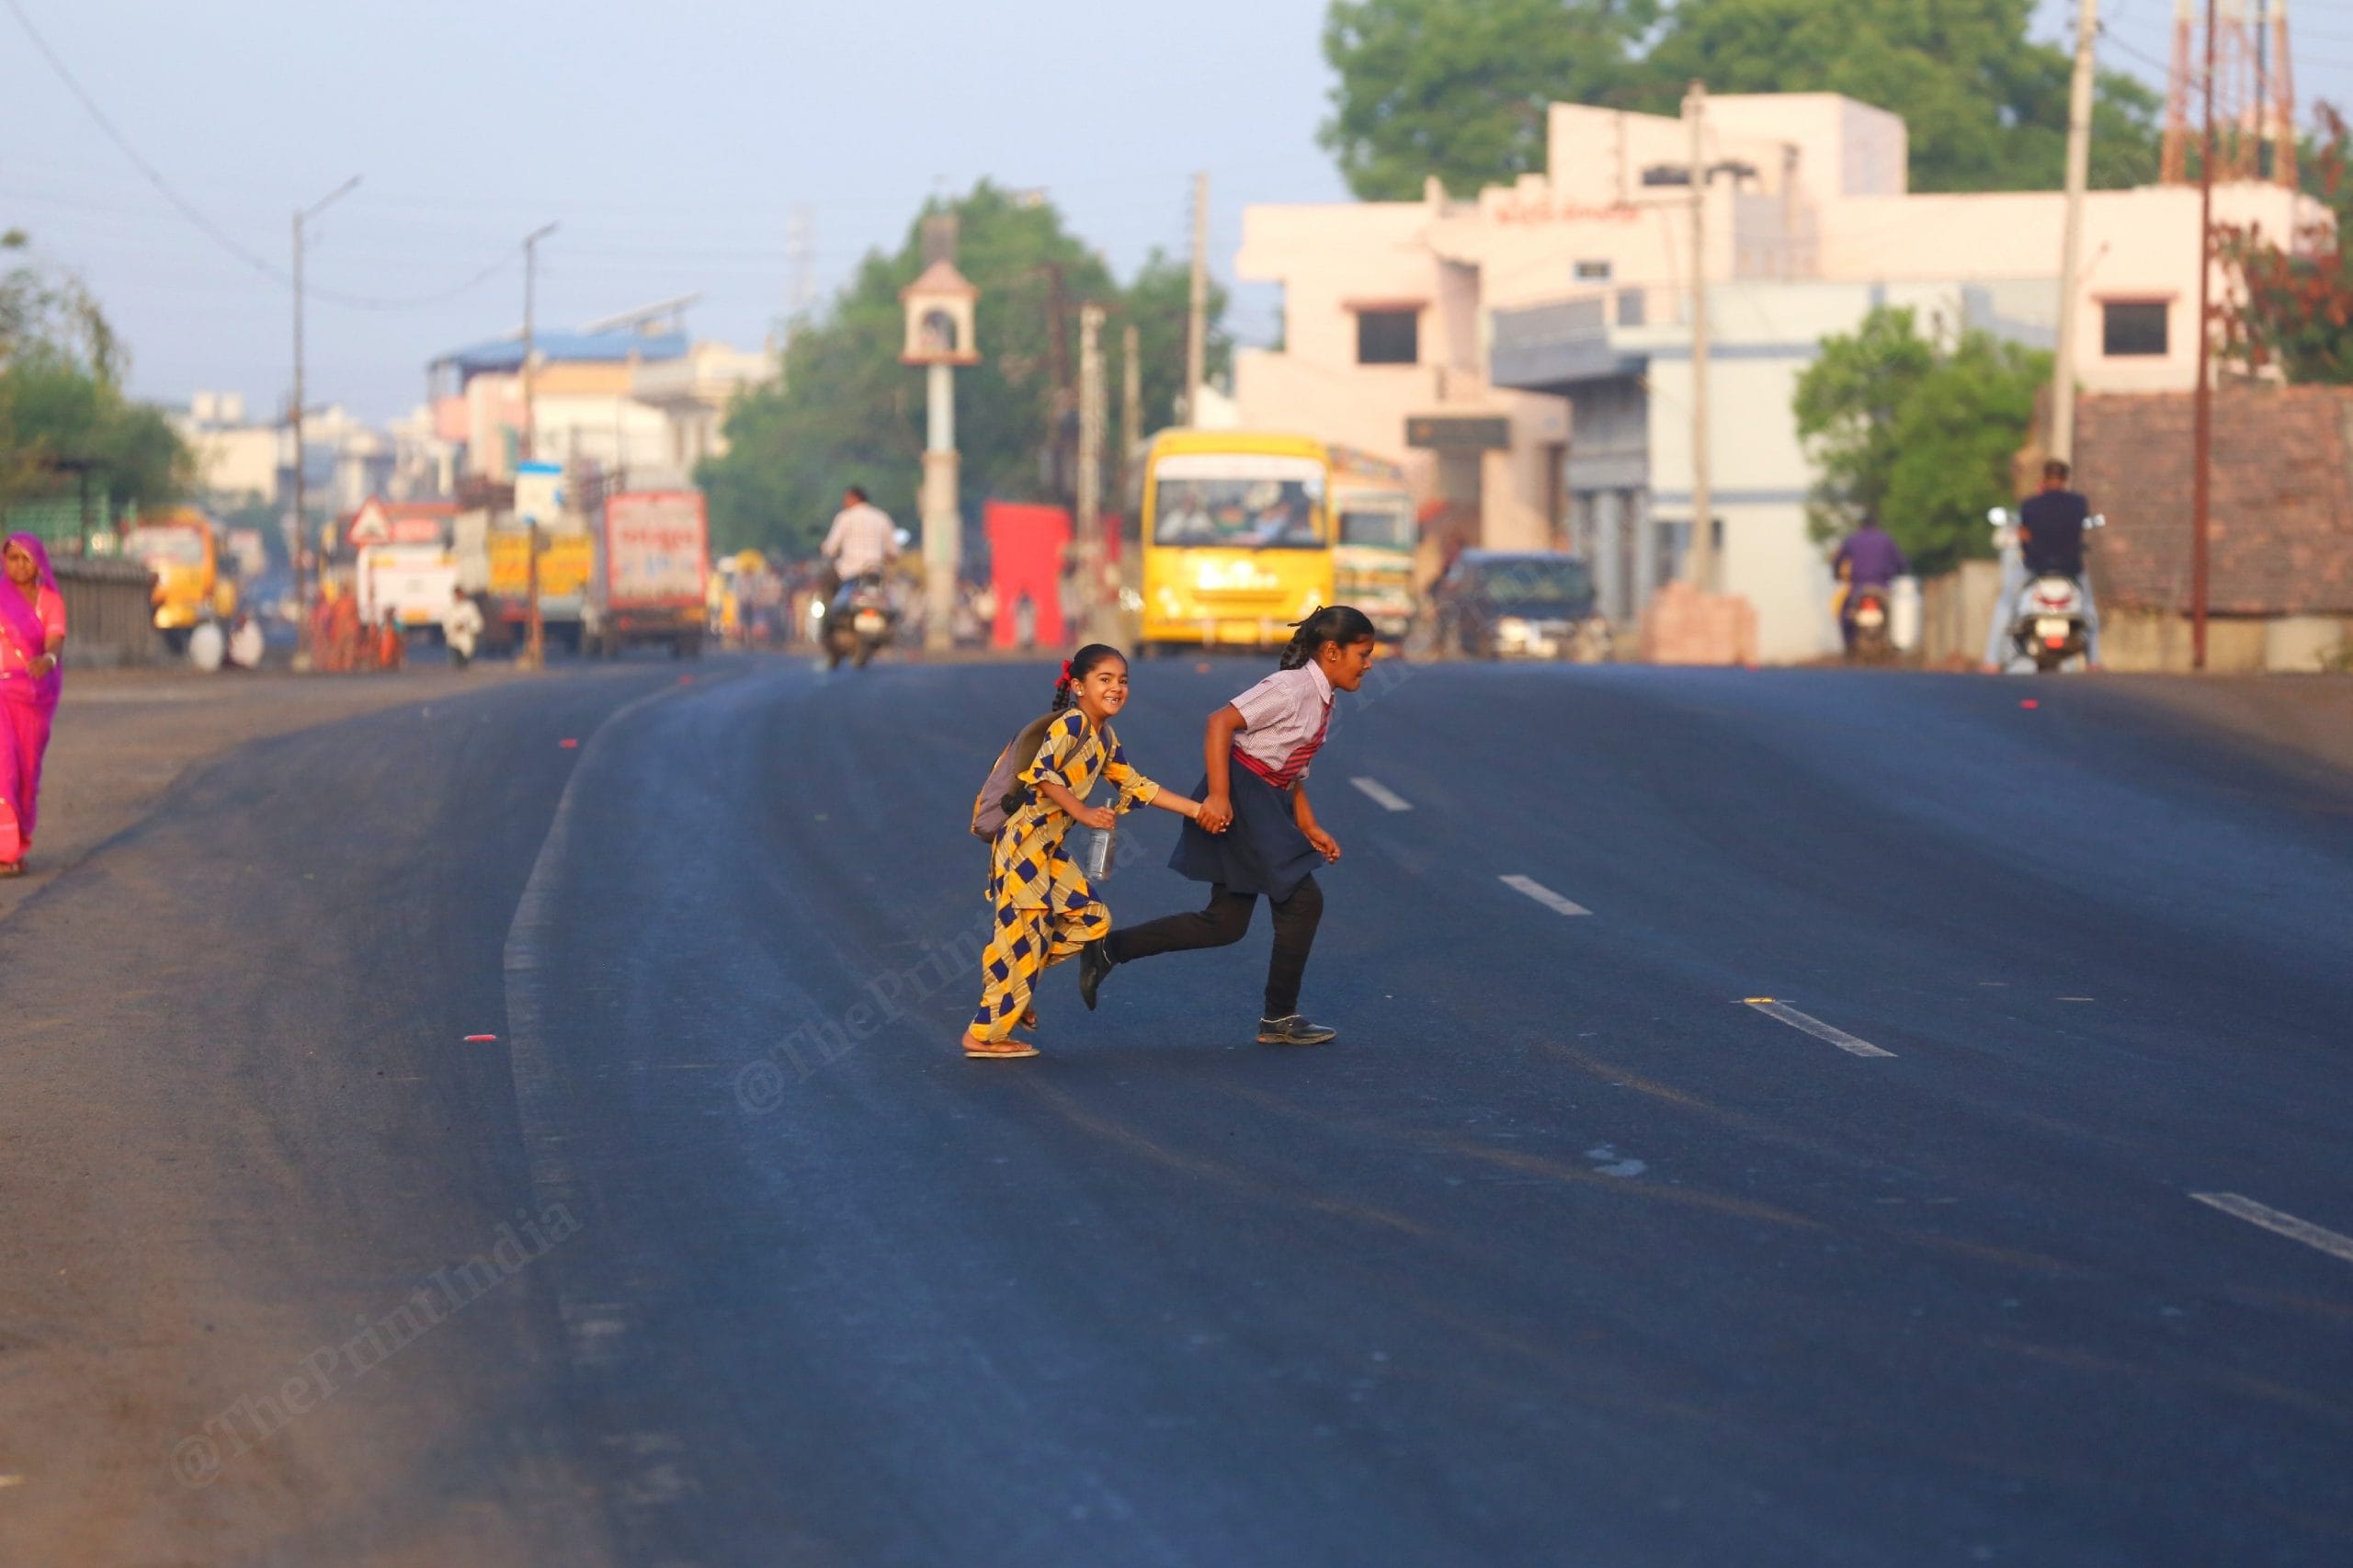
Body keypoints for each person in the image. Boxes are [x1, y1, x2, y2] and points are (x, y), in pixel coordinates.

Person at [1079, 605, 1379, 1047]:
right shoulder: (1291, 687)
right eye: (1363, 653)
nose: (1369, 665)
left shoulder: (1322, 698)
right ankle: (1279, 1018)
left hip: (1264, 797)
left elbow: (1290, 771)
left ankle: (1108, 949)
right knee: (1301, 899)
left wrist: (1309, 826)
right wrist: (1218, 796)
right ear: (1332, 651)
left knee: (1225, 923)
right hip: (1242, 792)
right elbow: (1220, 722)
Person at [963, 644, 1214, 1061]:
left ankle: (1016, 986)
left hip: (1049, 849)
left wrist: (1196, 809)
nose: (1116, 688)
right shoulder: (1072, 724)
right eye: (1105, 680)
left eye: (1122, 681)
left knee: (1091, 919)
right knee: (1022, 937)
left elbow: (1136, 784)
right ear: (1078, 686)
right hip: (1023, 846)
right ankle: (983, 1034)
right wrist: (1083, 811)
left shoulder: (1104, 737)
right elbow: (1039, 773)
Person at [0, 533, 67, 876]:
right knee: (3, 767)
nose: (19, 566)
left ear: (39, 563)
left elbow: (55, 640)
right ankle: (5, 852)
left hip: (35, 696)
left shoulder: (50, 601)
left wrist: (48, 661)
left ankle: (18, 844)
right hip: (1, 694)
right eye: (13, 558)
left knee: (25, 772)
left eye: (27, 559)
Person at [1992, 459, 2099, 669]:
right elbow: (2081, 531)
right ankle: (2094, 661)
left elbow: (2024, 535)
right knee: (2088, 608)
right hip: (2071, 568)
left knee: (2005, 602)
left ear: (2044, 478)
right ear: (2065, 479)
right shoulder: (2078, 504)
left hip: (2035, 567)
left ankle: (1991, 660)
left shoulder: (2030, 505)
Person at [1829, 510, 1907, 650]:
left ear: (1860, 526)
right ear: (1876, 525)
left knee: (1846, 614)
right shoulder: (1885, 539)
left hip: (1858, 589)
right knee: (1893, 614)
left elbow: (1838, 560)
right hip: (1882, 587)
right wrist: (1899, 572)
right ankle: (1891, 642)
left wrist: (1836, 574)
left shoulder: (1852, 540)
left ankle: (1849, 644)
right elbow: (1900, 561)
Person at [820, 484, 899, 599]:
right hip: (876, 573)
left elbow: (830, 549)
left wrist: (825, 547)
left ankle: (828, 616)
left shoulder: (845, 518)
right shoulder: (882, 518)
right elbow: (894, 553)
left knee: (826, 584)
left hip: (849, 572)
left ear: (853, 498)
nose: (844, 504)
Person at [442, 587, 483, 669]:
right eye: (457, 594)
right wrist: (454, 627)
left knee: (466, 657)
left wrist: (467, 627)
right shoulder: (450, 607)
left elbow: (476, 621)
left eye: (460, 594)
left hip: (467, 636)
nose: (459, 596)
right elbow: (446, 621)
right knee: (456, 661)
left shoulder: (469, 606)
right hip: (454, 637)